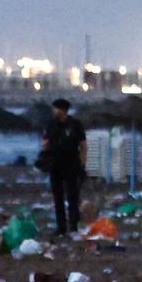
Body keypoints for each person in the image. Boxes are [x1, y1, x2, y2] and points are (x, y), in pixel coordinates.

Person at [39, 98, 87, 236]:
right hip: (55, 164)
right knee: (57, 197)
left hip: (71, 163)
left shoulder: (75, 124)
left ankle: (73, 225)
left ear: (62, 109)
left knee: (72, 196)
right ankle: (61, 227)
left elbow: (83, 145)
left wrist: (83, 163)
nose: (54, 111)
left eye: (56, 108)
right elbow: (45, 142)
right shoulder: (51, 124)